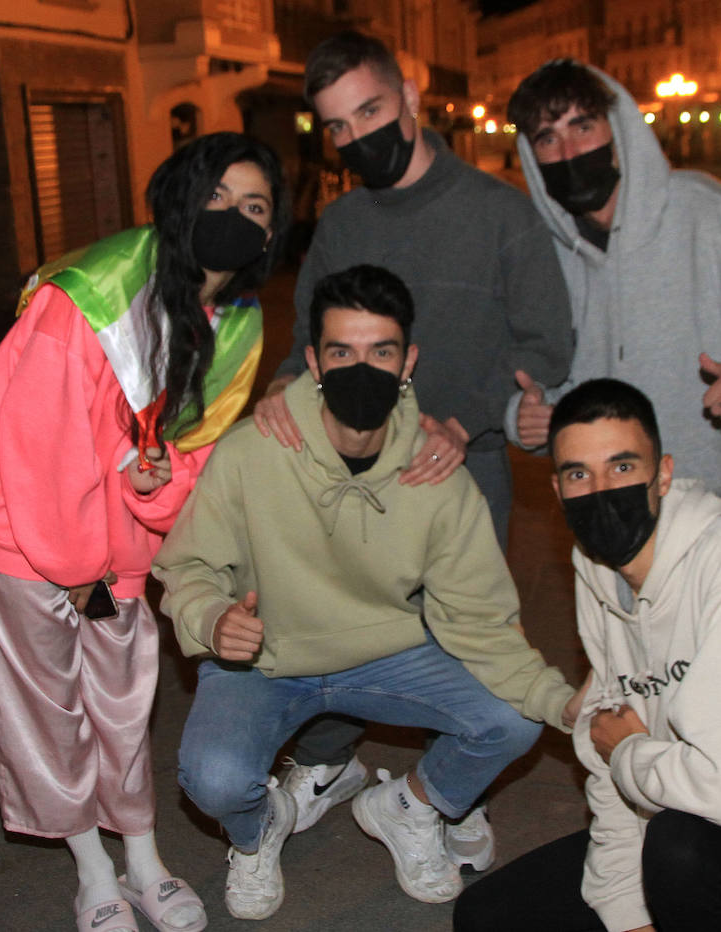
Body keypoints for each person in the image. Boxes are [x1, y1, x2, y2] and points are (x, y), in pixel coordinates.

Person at [152, 264, 582, 921]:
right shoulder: (251, 454)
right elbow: (188, 568)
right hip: (262, 657)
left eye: (380, 352)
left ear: (407, 361)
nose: (362, 369)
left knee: (513, 716)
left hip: (385, 655)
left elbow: (483, 624)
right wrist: (211, 620)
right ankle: (257, 830)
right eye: (342, 352)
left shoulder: (436, 475)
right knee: (212, 778)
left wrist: (562, 701)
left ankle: (410, 805)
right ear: (313, 364)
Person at [0, 132, 289, 932]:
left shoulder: (235, 325)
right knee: (45, 706)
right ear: (177, 197)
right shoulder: (95, 292)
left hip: (114, 539)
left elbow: (191, 456)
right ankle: (92, 868)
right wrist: (74, 568)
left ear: (273, 233)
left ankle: (143, 855)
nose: (232, 217)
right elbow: (39, 442)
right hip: (15, 529)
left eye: (254, 206)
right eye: (215, 196)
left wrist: (154, 493)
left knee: (124, 697)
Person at [250, 28, 576, 864]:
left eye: (371, 110)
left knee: (469, 643)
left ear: (411, 95)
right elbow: (303, 349)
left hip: (464, 467)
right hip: (355, 478)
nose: (359, 137)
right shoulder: (342, 221)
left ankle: (445, 795)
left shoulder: (501, 212)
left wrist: (464, 421)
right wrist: (280, 403)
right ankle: (326, 767)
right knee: (342, 626)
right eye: (338, 127)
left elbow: (547, 346)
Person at [453, 378, 721, 932]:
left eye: (623, 467)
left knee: (682, 846)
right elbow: (604, 757)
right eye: (579, 474)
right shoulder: (597, 566)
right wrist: (629, 917)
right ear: (558, 490)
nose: (602, 490)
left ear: (662, 475)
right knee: (487, 918)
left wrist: (630, 749)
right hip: (661, 808)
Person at [505, 60, 721, 581]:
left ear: (617, 128)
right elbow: (552, 380)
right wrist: (530, 417)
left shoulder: (700, 213)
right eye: (548, 138)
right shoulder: (547, 254)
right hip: (629, 524)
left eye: (583, 126)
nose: (570, 151)